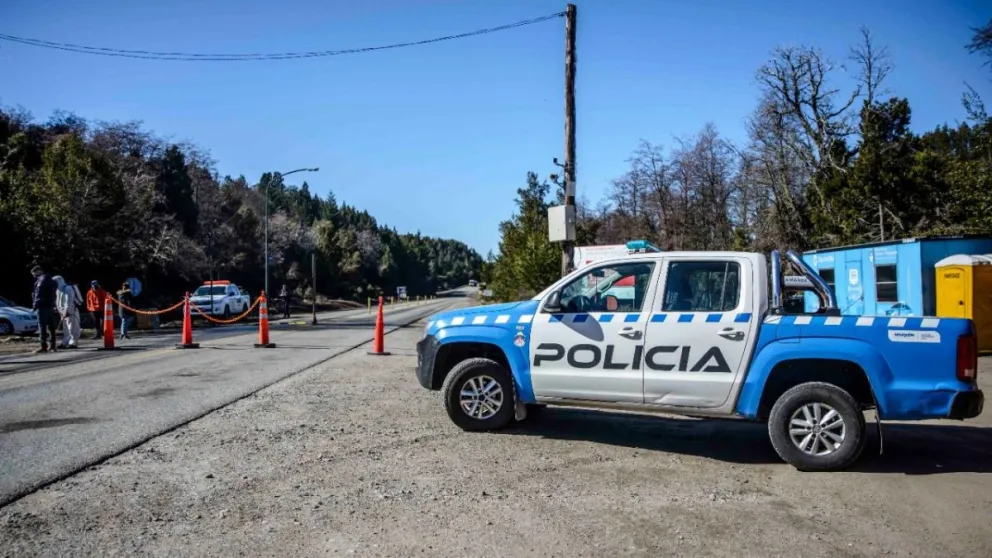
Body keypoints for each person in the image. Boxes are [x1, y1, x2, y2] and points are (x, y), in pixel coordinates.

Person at [30, 265, 59, 353]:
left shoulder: (41, 281)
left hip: (42, 307)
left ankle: (43, 346)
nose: (34, 276)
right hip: (50, 306)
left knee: (42, 327)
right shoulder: (52, 281)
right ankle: (53, 346)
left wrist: (35, 306)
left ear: (38, 271)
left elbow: (39, 295)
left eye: (34, 274)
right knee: (51, 327)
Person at [54, 275, 82, 349]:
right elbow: (58, 301)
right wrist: (58, 309)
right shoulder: (58, 290)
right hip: (62, 311)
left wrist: (67, 310)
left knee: (72, 326)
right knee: (65, 327)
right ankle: (65, 341)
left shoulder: (68, 288)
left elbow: (69, 300)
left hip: (70, 310)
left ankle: (73, 342)